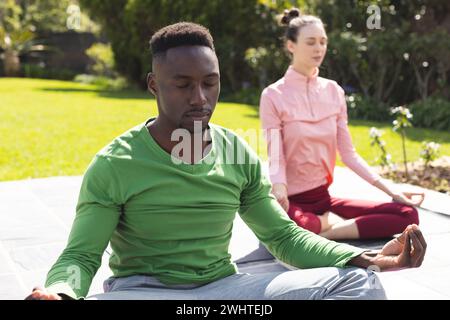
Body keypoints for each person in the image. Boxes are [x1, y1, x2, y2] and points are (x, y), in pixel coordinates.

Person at [26, 22, 426, 301]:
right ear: (153, 85)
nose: (199, 98)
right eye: (182, 85)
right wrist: (60, 290)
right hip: (143, 291)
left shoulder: (236, 152)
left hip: (225, 291)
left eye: (210, 82)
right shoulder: (115, 163)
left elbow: (283, 237)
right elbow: (80, 256)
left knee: (359, 283)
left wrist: (365, 257)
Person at [259, 8, 425, 240]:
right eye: (310, 42)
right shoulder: (273, 95)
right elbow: (275, 156)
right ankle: (319, 228)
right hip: (292, 202)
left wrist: (392, 191)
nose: (319, 48)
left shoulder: (334, 91)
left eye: (323, 41)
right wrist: (279, 188)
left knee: (408, 215)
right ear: (290, 45)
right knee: (294, 227)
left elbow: (348, 155)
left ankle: (327, 234)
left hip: (324, 199)